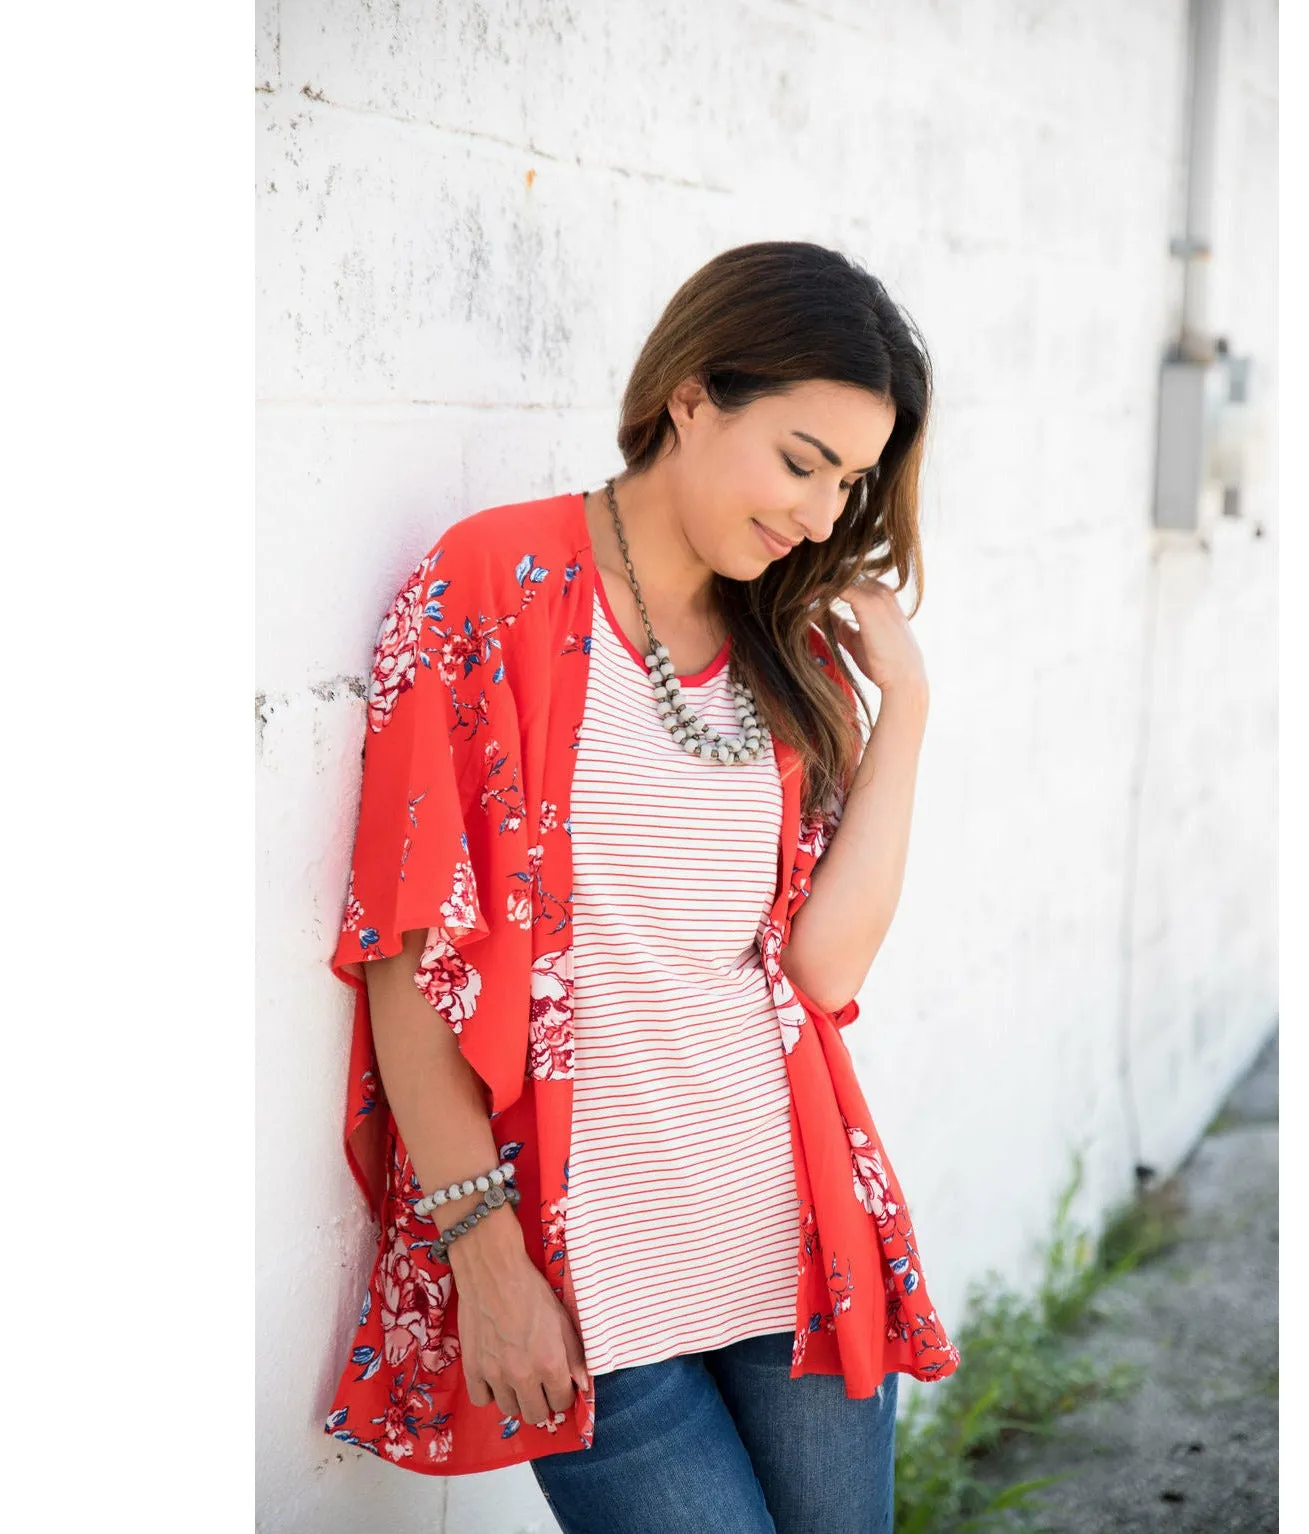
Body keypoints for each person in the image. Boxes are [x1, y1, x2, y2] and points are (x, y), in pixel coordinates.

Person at [322, 241, 960, 1532]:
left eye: (848, 482)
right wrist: (481, 1248)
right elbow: (406, 948)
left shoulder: (791, 653)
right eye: (799, 460)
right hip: (589, 1283)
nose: (823, 516)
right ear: (688, 397)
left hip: (791, 1246)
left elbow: (824, 972)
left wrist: (907, 713)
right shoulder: (490, 584)